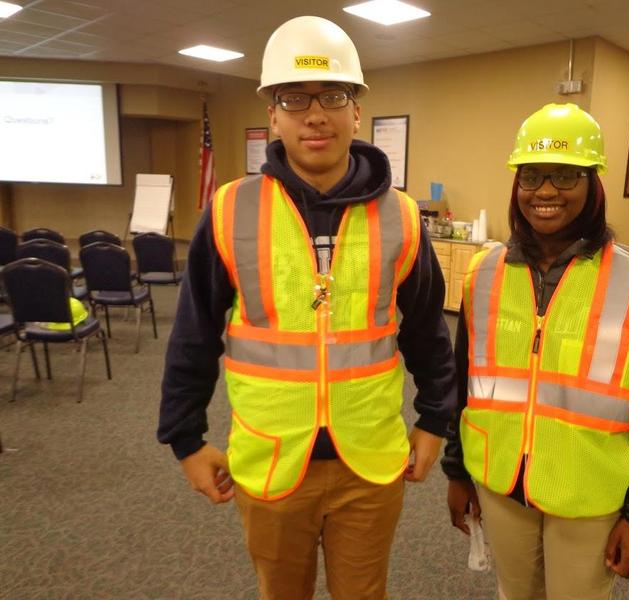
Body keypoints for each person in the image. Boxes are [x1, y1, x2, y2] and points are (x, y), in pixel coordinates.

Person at [157, 15, 456, 600]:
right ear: (272, 111)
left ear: (356, 110)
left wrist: (434, 421)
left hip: (368, 463)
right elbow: (192, 335)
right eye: (294, 98)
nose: (314, 114)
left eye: (333, 96)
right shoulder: (229, 210)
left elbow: (427, 333)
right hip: (271, 461)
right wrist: (185, 440)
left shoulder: (399, 217)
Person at [441, 103, 629, 600]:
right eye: (531, 176)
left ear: (593, 186)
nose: (545, 191)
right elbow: (461, 382)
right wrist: (458, 471)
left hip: (589, 493)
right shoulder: (483, 273)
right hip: (501, 482)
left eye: (565, 175)